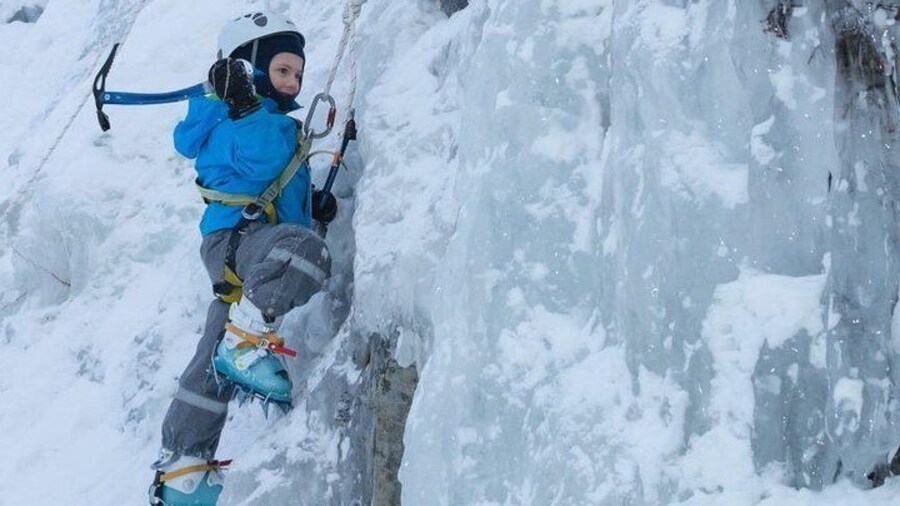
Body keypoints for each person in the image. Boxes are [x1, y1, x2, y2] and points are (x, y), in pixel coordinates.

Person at [147, 10, 337, 506]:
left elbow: (271, 173)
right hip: (243, 239)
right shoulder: (233, 120)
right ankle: (247, 341)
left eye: (297, 73)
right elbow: (259, 158)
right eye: (281, 70)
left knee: (211, 353)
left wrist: (312, 204)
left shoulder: (258, 120)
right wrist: (242, 105)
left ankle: (183, 466)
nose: (293, 81)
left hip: (248, 244)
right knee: (305, 252)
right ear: (247, 69)